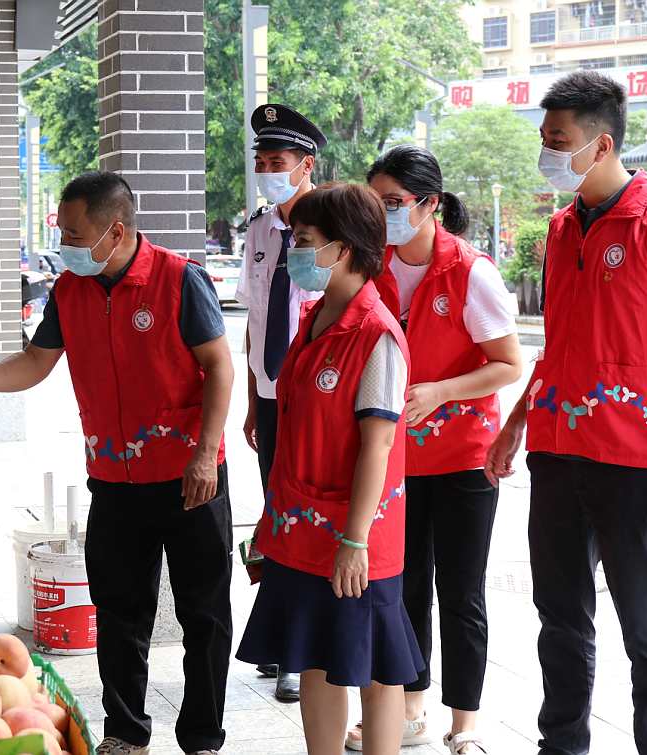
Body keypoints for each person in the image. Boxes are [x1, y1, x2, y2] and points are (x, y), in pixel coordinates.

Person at [0, 170, 235, 755]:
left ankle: (202, 737)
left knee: (204, 611)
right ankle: (126, 734)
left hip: (189, 478)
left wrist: (205, 454)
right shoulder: (70, 291)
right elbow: (34, 362)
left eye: (74, 233)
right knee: (119, 610)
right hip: (115, 480)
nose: (65, 243)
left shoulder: (180, 280)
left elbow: (220, 366)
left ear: (115, 230)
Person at [486, 70, 647, 755]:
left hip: (634, 460)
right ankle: (560, 745)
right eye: (543, 138)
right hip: (557, 453)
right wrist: (515, 422)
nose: (546, 151)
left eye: (556, 140)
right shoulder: (561, 229)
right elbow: (556, 342)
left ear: (601, 144)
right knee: (558, 617)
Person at [235, 182, 423, 755]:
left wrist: (355, 538)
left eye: (305, 241)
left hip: (353, 534)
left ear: (342, 251)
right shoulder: (314, 318)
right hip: (299, 528)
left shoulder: (375, 335)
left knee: (373, 667)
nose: (293, 250)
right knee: (311, 655)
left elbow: (378, 447)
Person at [346, 146, 522, 755]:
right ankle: (411, 706)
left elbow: (508, 364)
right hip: (396, 459)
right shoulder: (374, 266)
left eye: (393, 203)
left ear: (430, 204)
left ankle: (465, 723)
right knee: (403, 584)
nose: (384, 214)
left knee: (462, 591)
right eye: (376, 203)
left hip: (464, 459)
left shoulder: (471, 272)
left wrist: (443, 390)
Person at [235, 104, 328, 702]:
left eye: (279, 162)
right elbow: (255, 320)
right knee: (275, 514)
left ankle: (302, 650)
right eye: (262, 161)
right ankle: (280, 643)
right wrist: (251, 398)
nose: (269, 171)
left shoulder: (333, 222)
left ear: (306, 165)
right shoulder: (263, 228)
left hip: (319, 398)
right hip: (271, 394)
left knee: (306, 514)